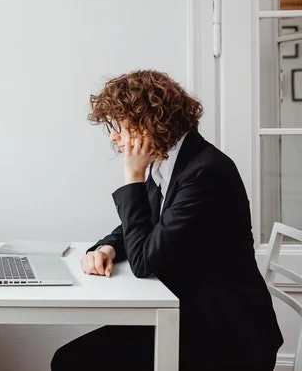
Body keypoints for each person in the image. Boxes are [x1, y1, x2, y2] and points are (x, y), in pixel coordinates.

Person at [51, 70, 283, 371]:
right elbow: (142, 225)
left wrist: (133, 178)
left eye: (119, 124)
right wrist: (107, 248)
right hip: (193, 313)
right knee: (71, 359)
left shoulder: (204, 172)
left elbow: (145, 261)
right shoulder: (170, 162)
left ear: (148, 121)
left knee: (72, 363)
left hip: (226, 335)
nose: (114, 135)